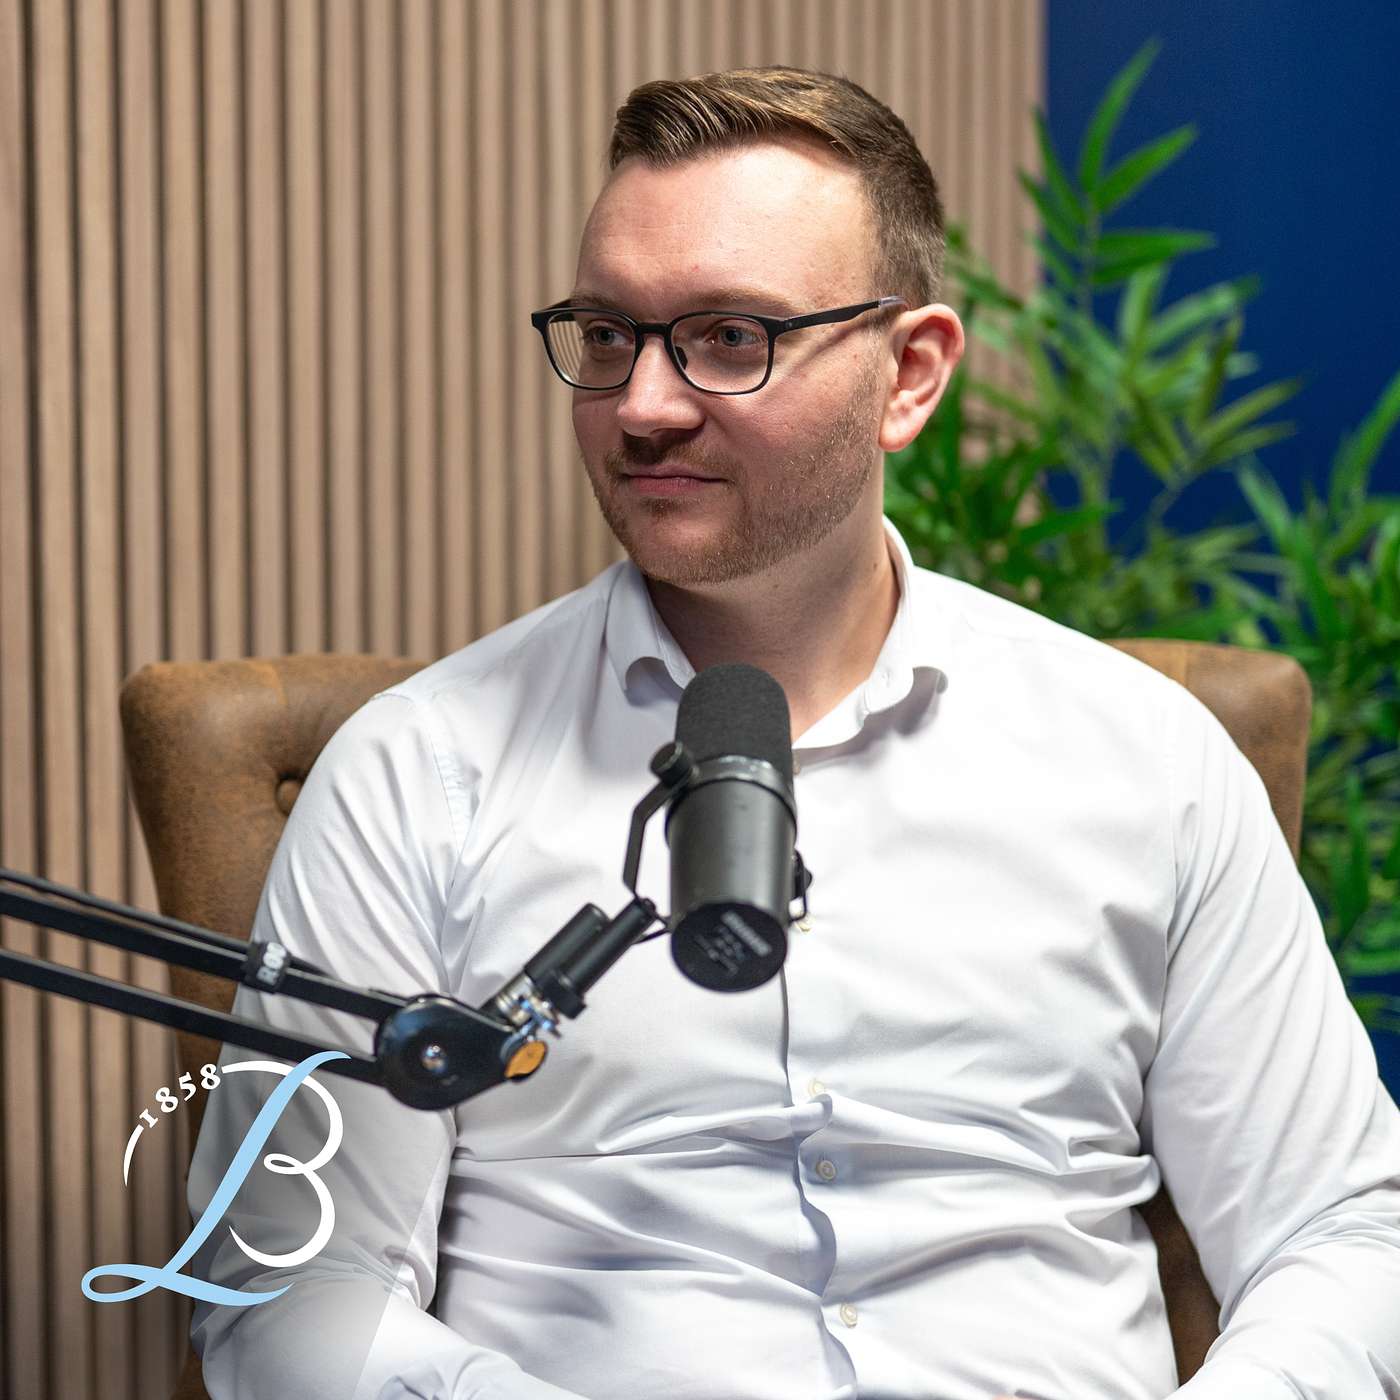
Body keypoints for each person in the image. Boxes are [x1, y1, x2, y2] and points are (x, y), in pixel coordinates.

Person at [187, 66, 1400, 1400]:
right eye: (608, 334)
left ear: (909, 376)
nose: (643, 405)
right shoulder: (416, 777)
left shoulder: (1147, 763)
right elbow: (290, 1290)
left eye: (728, 337)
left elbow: (1343, 1230)